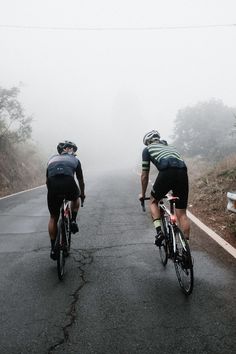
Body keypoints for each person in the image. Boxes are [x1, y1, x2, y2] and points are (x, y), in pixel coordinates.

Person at [139, 130, 190, 246]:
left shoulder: (147, 149)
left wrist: (142, 194)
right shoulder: (171, 147)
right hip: (182, 172)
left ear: (148, 142)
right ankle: (186, 249)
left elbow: (144, 175)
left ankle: (159, 233)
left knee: (153, 201)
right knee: (182, 213)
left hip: (167, 172)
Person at [46, 140, 85, 260]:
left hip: (53, 186)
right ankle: (73, 220)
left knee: (53, 217)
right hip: (69, 183)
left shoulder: (51, 159)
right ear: (71, 150)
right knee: (75, 197)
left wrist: (54, 194)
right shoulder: (75, 160)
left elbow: (47, 181)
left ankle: (53, 249)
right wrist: (82, 194)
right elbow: (80, 180)